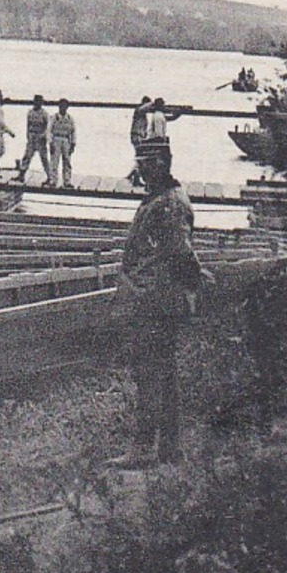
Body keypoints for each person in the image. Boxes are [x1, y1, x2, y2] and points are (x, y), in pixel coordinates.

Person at [112, 139, 203, 467]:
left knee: (151, 373)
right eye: (140, 161)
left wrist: (190, 283)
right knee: (162, 373)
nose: (142, 168)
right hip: (154, 299)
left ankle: (145, 447)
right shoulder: (162, 199)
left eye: (148, 162)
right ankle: (169, 447)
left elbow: (181, 252)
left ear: (164, 163)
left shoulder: (168, 202)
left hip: (154, 302)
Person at [14, 95, 53, 184]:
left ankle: (50, 177)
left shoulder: (44, 114)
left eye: (39, 102)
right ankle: (21, 175)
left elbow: (48, 127)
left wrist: (44, 137)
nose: (37, 103)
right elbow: (28, 124)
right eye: (36, 101)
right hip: (32, 137)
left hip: (40, 138)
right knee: (27, 156)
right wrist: (27, 135)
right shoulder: (30, 112)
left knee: (44, 159)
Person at [49, 99, 77, 188]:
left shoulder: (70, 118)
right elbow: (49, 130)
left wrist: (73, 143)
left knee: (67, 161)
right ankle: (53, 180)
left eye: (65, 106)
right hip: (56, 139)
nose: (63, 108)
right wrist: (50, 142)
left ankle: (67, 181)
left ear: (67, 107)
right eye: (61, 106)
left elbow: (73, 131)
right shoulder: (54, 117)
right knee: (54, 161)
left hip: (66, 140)